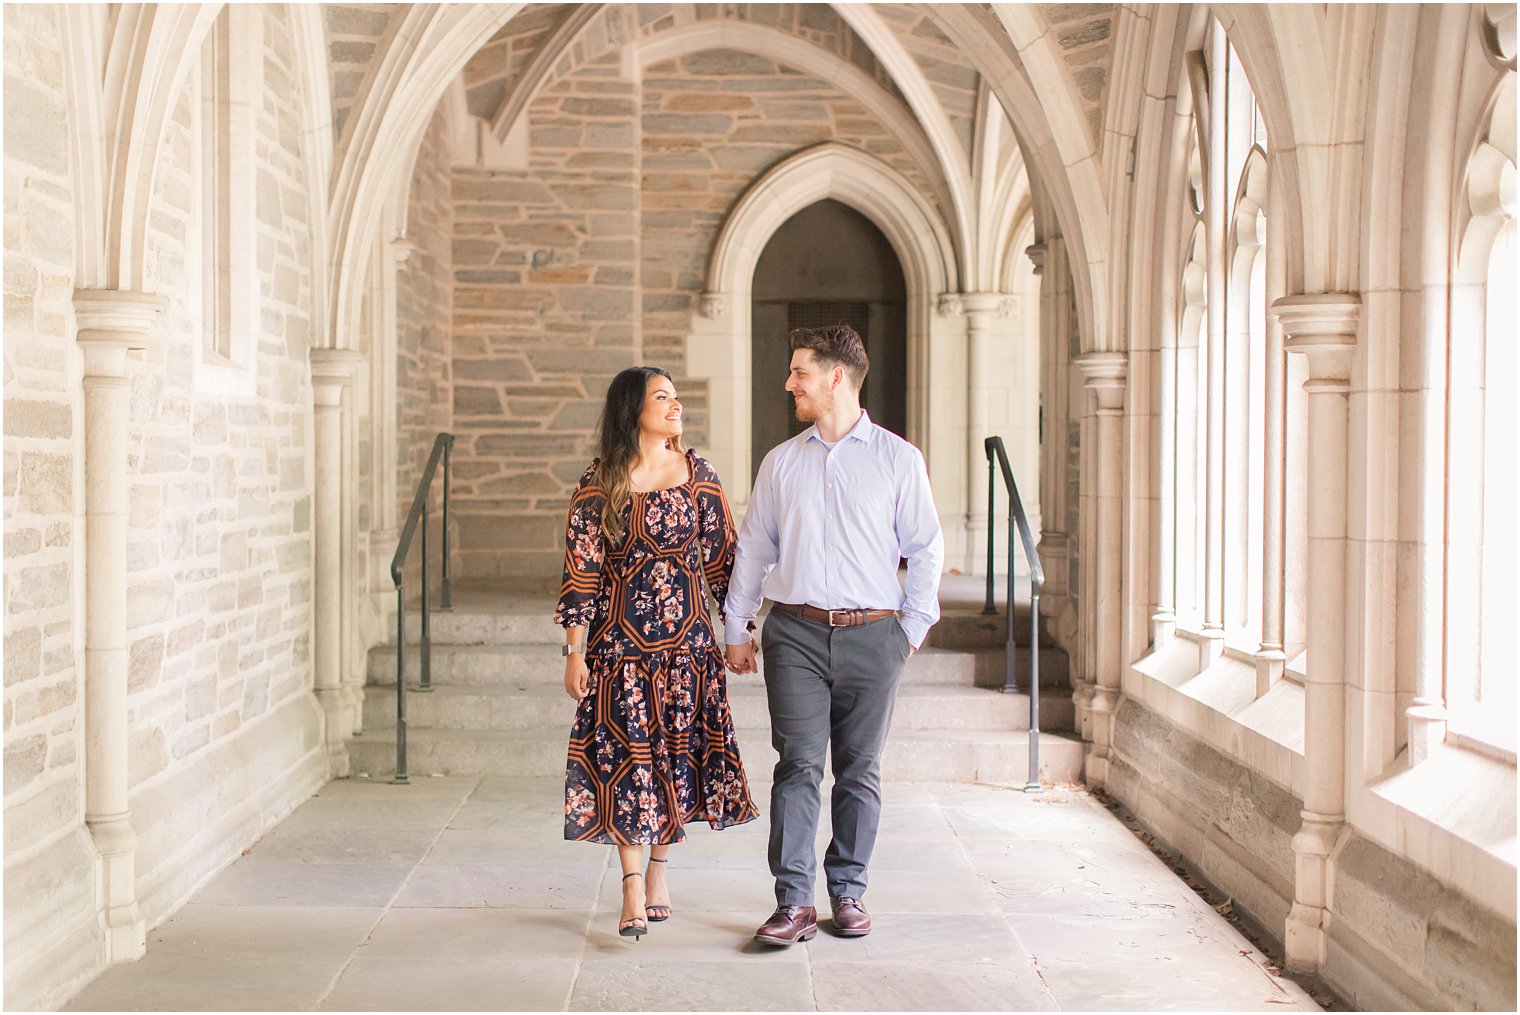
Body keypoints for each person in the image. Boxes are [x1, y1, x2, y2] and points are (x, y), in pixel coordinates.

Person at [724, 324, 944, 946]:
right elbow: (754, 549)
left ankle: (847, 891)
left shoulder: (899, 460)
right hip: (793, 632)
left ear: (835, 377)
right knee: (796, 766)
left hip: (875, 636)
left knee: (860, 769)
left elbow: (925, 549)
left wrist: (911, 630)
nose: (789, 383)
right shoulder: (781, 462)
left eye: (799, 372)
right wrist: (737, 626)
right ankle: (793, 902)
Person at [555, 365, 759, 941]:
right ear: (632, 411)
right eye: (661, 397)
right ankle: (629, 884)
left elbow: (725, 561)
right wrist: (574, 650)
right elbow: (581, 573)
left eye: (676, 396)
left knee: (674, 760)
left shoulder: (699, 475)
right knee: (628, 765)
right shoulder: (600, 483)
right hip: (619, 652)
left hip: (686, 653)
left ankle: (660, 872)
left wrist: (738, 630)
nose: (675, 406)